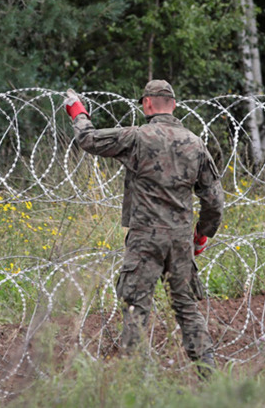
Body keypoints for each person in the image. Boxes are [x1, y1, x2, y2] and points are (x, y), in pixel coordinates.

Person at [63, 80, 224, 377]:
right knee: (187, 310)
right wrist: (200, 236)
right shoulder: (195, 143)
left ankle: (136, 380)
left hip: (145, 240)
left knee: (136, 310)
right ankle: (210, 377)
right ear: (173, 105)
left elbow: (88, 139)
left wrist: (77, 111)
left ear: (147, 104)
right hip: (179, 242)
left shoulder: (138, 137)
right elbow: (214, 201)